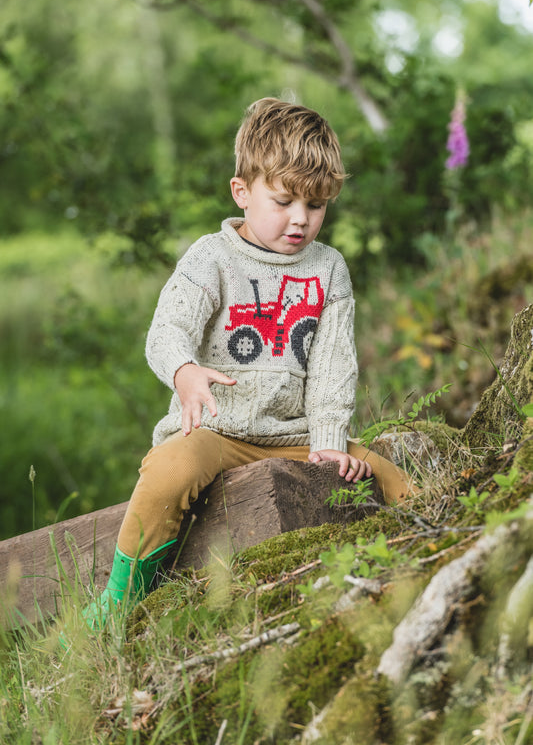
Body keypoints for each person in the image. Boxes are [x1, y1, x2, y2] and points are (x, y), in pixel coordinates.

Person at [84, 97, 416, 629]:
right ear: (242, 191)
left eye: (316, 205)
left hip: (295, 434)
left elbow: (333, 365)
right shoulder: (211, 258)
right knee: (169, 470)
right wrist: (184, 372)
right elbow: (166, 331)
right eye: (283, 201)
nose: (300, 220)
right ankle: (118, 606)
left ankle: (425, 554)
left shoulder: (328, 269)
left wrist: (329, 441)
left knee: (385, 474)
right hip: (215, 430)